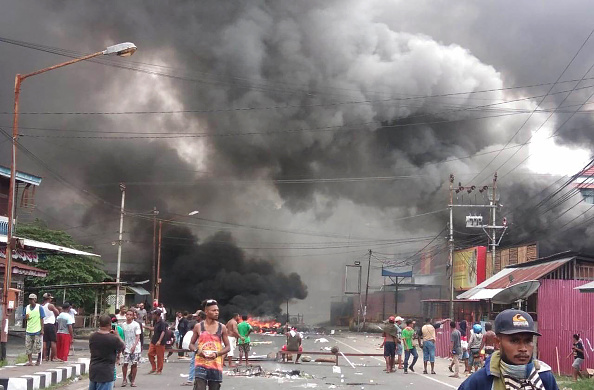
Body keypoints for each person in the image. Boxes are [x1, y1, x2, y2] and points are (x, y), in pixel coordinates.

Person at [459, 309, 559, 390]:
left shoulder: (545, 377)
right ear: (498, 342)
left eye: (528, 341)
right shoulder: (480, 381)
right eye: (514, 341)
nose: (523, 348)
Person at [189, 300, 230, 390]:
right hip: (201, 364)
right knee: (199, 388)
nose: (216, 313)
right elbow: (191, 344)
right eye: (214, 310)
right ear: (206, 312)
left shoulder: (222, 327)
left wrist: (217, 354)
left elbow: (228, 347)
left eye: (217, 310)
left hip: (215, 365)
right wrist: (197, 351)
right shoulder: (198, 326)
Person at [89, 314, 125, 390]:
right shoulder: (113, 339)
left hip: (94, 370)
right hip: (106, 372)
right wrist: (117, 335)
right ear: (110, 324)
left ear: (99, 324)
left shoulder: (92, 336)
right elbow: (123, 347)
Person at [182, 311, 205, 387]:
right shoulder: (204, 325)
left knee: (194, 364)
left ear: (200, 316)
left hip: (200, 348)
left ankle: (191, 380)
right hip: (200, 348)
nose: (195, 317)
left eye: (197, 316)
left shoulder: (199, 325)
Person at [121, 309, 142, 387]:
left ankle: (133, 381)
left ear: (133, 316)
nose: (128, 316)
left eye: (130, 315)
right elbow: (122, 335)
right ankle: (124, 380)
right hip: (126, 346)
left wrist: (134, 346)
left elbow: (138, 336)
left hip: (135, 348)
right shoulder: (123, 325)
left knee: (134, 364)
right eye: (127, 314)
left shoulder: (136, 325)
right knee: (125, 364)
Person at [24, 293, 45, 366]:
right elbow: (24, 318)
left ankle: (38, 360)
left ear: (35, 300)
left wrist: (42, 329)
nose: (31, 301)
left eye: (32, 299)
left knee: (38, 346)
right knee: (28, 347)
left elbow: (42, 319)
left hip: (37, 330)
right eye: (30, 299)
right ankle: (30, 361)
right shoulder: (26, 308)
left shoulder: (39, 308)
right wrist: (26, 317)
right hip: (29, 330)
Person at [145, 309, 168, 374]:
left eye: (153, 314)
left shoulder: (162, 322)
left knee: (160, 356)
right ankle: (154, 368)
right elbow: (154, 329)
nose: (152, 315)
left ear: (157, 315)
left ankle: (159, 370)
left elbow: (163, 332)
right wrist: (145, 327)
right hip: (154, 340)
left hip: (160, 341)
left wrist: (159, 340)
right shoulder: (155, 321)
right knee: (150, 353)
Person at [41, 293, 60, 362]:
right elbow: (57, 313)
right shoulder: (50, 305)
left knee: (44, 341)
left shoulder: (41, 306)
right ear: (49, 299)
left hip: (44, 324)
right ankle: (54, 357)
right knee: (53, 341)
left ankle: (44, 357)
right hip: (51, 325)